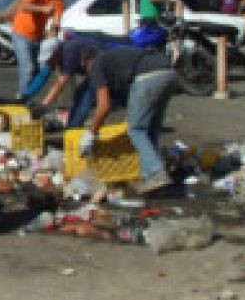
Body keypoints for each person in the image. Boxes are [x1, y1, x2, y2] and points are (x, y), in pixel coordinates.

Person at [76, 45, 180, 194]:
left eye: (85, 69)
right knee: (151, 129)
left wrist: (90, 134)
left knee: (136, 129)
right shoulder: (114, 58)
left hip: (147, 77)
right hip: (169, 72)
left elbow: (104, 106)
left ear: (87, 63)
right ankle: (148, 177)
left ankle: (156, 172)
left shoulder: (97, 64)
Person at [11, 0, 69, 98]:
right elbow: (24, 5)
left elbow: (57, 20)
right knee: (28, 68)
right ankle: (22, 99)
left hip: (37, 37)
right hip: (21, 33)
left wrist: (55, 30)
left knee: (37, 70)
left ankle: (26, 96)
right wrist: (42, 8)